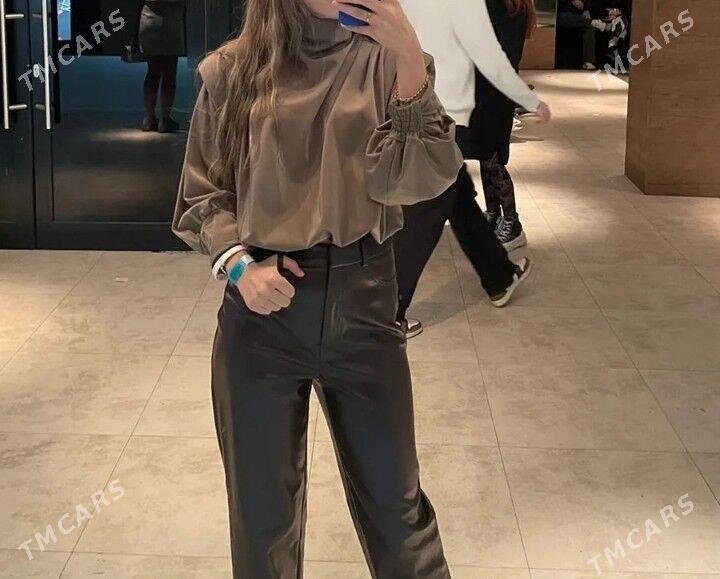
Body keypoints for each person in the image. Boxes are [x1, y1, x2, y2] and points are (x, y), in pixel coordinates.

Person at [172, 0, 462, 576]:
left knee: (398, 510)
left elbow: (419, 181)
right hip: (262, 313)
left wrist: (409, 56)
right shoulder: (231, 70)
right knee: (263, 519)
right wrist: (239, 266)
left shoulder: (385, 62)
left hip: (365, 301)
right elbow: (202, 193)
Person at [395, 0, 551, 338]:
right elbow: (489, 57)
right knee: (443, 205)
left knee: (443, 203)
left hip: (439, 108)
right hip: (455, 112)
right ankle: (497, 278)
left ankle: (496, 278)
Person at [469, 0, 539, 250]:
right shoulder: (512, 5)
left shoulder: (504, 6)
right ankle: (494, 214)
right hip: (490, 89)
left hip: (493, 91)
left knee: (492, 157)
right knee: (485, 152)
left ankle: (511, 221)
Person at [138, 0, 186, 132]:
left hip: (148, 21)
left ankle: (150, 118)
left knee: (152, 72)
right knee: (169, 73)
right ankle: (165, 120)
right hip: (171, 22)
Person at [557, 0, 608, 70]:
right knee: (564, 16)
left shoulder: (587, 3)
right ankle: (592, 22)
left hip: (581, 22)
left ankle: (588, 62)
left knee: (590, 28)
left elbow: (587, 12)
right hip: (567, 18)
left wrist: (584, 9)